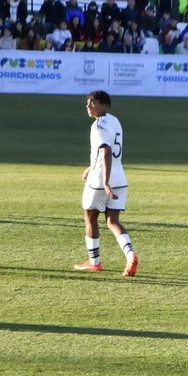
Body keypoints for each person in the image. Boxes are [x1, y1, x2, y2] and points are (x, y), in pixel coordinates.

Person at [73, 90, 137, 276]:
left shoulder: (98, 126)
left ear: (103, 105)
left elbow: (106, 151)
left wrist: (105, 182)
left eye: (92, 103)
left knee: (90, 218)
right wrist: (91, 167)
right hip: (120, 178)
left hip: (101, 182)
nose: (88, 106)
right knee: (113, 221)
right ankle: (130, 255)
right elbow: (108, 152)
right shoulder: (115, 121)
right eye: (87, 103)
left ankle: (94, 262)